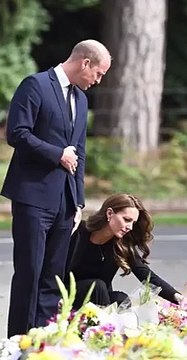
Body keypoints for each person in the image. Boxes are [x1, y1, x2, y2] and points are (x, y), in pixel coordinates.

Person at [2, 40, 110, 336]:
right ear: (84, 63)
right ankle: (20, 341)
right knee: (30, 273)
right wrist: (57, 153)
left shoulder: (82, 100)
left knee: (54, 277)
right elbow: (17, 133)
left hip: (65, 202)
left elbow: (80, 152)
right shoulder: (35, 85)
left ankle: (46, 340)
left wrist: (78, 202)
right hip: (33, 197)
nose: (98, 81)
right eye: (98, 73)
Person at [67, 194, 182, 308]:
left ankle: (107, 326)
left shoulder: (121, 244)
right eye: (127, 220)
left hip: (99, 298)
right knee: (97, 286)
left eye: (133, 223)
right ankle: (101, 325)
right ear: (109, 213)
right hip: (65, 296)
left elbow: (146, 276)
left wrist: (179, 298)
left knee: (120, 299)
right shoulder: (77, 232)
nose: (130, 227)